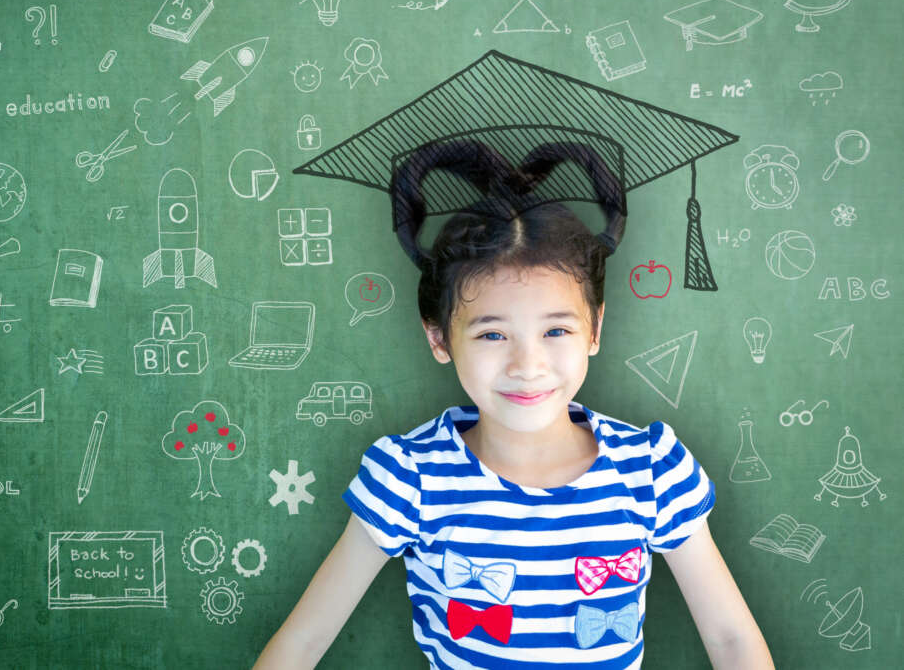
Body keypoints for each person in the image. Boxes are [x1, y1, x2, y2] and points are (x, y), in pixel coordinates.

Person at [254, 139, 773, 669]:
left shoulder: (651, 469)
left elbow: (732, 639)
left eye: (555, 330)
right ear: (438, 338)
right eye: (492, 335)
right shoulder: (411, 475)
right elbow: (303, 642)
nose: (528, 365)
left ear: (594, 328)